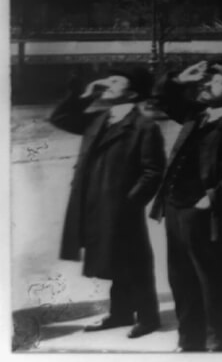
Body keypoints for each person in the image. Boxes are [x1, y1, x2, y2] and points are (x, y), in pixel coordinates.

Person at [152, 61, 222, 352]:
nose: (208, 83)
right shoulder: (198, 115)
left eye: (217, 81)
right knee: (181, 279)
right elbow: (162, 99)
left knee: (213, 282)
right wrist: (178, 79)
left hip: (209, 213)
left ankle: (216, 343)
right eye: (209, 79)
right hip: (176, 208)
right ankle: (189, 341)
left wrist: (212, 196)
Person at [51, 65, 165, 339]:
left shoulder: (144, 126)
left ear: (133, 92)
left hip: (121, 206)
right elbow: (61, 117)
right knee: (114, 258)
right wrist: (83, 94)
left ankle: (149, 318)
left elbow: (153, 171)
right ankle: (121, 313)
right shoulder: (100, 117)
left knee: (135, 260)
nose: (108, 83)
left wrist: (129, 203)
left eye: (116, 81)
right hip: (93, 202)